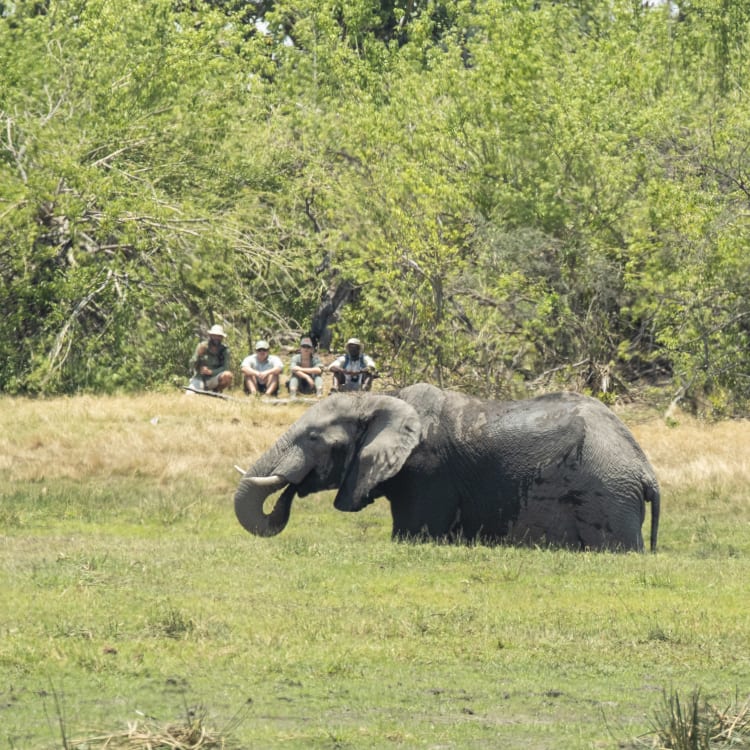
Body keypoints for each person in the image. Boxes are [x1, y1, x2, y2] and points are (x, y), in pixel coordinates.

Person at [187, 324, 234, 393]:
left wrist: (211, 372)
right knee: (190, 395)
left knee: (228, 375)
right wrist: (198, 355)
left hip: (214, 378)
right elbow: (191, 365)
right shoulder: (202, 346)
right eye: (214, 336)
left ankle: (216, 390)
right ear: (211, 336)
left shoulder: (224, 350)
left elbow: (225, 367)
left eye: (219, 336)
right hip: (200, 377)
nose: (216, 338)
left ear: (222, 338)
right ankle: (199, 389)